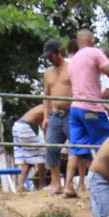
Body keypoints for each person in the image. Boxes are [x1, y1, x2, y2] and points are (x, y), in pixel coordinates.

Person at [64, 29, 109, 198]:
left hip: (75, 109)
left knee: (77, 149)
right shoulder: (95, 53)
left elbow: (79, 84)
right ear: (90, 39)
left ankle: (69, 186)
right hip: (91, 109)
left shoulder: (73, 60)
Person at [42, 39, 71, 194]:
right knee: (51, 147)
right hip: (55, 114)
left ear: (58, 52)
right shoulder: (48, 73)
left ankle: (74, 183)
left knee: (77, 148)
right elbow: (46, 96)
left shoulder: (71, 67)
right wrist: (45, 116)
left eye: (51, 55)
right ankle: (55, 182)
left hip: (71, 113)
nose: (49, 59)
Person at [11, 103, 46, 190]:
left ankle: (20, 185)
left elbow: (42, 126)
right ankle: (42, 185)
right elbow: (45, 126)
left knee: (29, 161)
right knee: (43, 155)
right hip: (24, 127)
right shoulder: (48, 107)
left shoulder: (42, 107)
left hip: (17, 126)